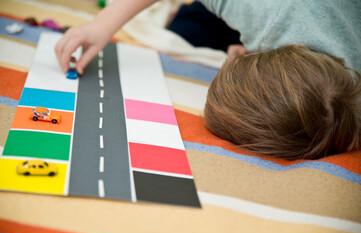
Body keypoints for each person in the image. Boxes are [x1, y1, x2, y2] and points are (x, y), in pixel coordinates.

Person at [55, 0, 361, 160]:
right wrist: (102, 25)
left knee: (187, 33)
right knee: (184, 29)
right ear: (292, 47)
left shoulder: (344, 108)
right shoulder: (266, 12)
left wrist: (246, 55)